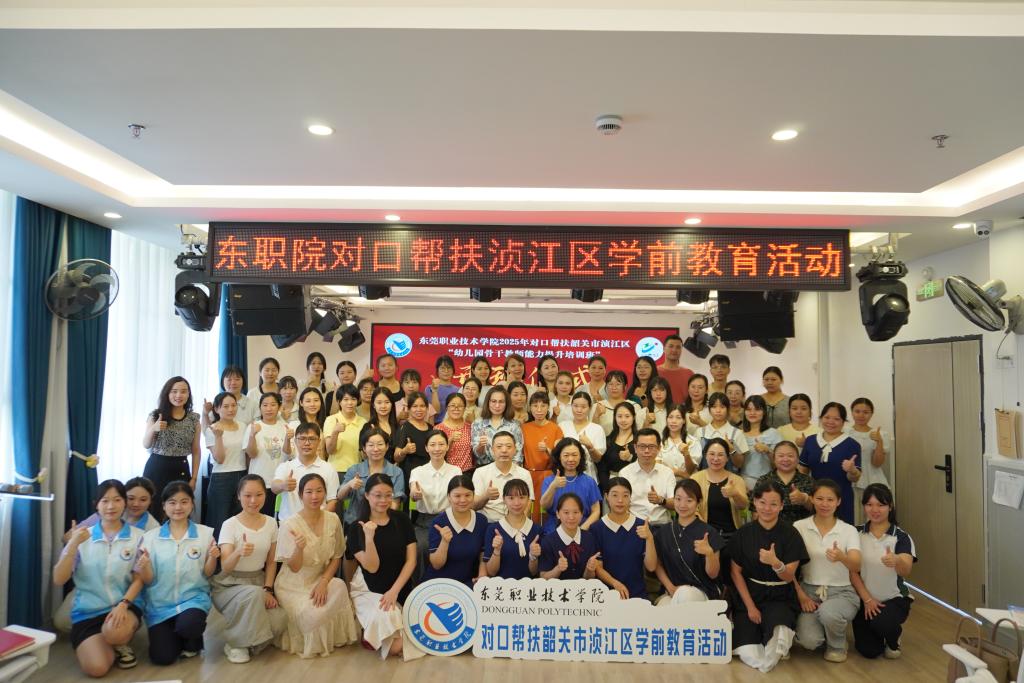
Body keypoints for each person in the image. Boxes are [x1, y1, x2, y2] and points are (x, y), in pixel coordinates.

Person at [53, 480, 145, 675]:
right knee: (97, 668)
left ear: (124, 503)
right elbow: (59, 579)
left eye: (117, 500)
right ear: (96, 505)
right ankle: (109, 642)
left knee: (114, 632)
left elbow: (139, 578)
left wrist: (123, 604)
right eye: (105, 501)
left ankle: (118, 639)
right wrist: (72, 544)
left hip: (124, 606)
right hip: (88, 610)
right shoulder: (82, 537)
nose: (111, 506)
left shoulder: (138, 536)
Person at [274, 473, 359, 658]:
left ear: (325, 493)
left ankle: (332, 635)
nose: (314, 496)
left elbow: (337, 555)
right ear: (300, 495)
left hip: (320, 577)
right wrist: (298, 548)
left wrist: (324, 581)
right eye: (309, 492)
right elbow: (293, 568)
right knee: (311, 616)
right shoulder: (289, 524)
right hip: (293, 584)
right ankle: (312, 634)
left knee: (339, 586)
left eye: (319, 491)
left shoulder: (333, 519)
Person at [729, 481, 809, 673]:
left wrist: (776, 563)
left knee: (778, 632)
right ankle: (764, 655)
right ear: (755, 502)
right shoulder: (743, 533)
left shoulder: (791, 533)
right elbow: (735, 572)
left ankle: (776, 648)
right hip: (751, 594)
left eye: (773, 504)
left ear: (781, 506)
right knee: (747, 648)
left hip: (781, 595)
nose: (767, 508)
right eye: (762, 502)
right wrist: (750, 607)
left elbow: (789, 576)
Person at [138, 481, 218, 664]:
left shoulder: (205, 534)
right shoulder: (150, 538)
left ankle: (191, 640)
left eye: (184, 501)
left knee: (189, 626)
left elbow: (207, 573)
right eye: (172, 502)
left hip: (193, 600)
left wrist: (213, 557)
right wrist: (144, 566)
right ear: (164, 506)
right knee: (162, 658)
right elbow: (148, 580)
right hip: (160, 605)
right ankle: (177, 634)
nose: (178, 507)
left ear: (192, 504)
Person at [213, 475, 286, 664]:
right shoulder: (229, 524)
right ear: (238, 496)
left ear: (265, 495)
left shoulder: (271, 523)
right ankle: (236, 644)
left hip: (258, 582)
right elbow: (225, 566)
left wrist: (268, 589)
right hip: (229, 585)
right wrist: (238, 552)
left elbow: (271, 562)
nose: (253, 501)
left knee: (279, 620)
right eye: (247, 495)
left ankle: (247, 637)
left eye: (259, 495)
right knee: (253, 595)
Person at [347, 473, 418, 659]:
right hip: (370, 590)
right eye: (377, 495)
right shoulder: (355, 528)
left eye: (388, 495)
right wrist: (369, 538)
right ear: (366, 495)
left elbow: (411, 560)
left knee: (419, 631)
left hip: (399, 587)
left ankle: (373, 632)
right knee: (395, 647)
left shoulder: (402, 520)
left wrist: (394, 591)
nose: (383, 500)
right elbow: (372, 567)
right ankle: (370, 630)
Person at [792, 478, 862, 663]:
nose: (824, 504)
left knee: (829, 612)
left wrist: (842, 557)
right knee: (809, 641)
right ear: (811, 499)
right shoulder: (799, 527)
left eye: (830, 500)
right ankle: (827, 629)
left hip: (842, 593)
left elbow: (856, 566)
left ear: (838, 502)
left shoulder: (848, 530)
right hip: (809, 592)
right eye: (820, 498)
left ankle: (837, 645)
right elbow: (790, 568)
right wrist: (801, 595)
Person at [850, 484, 916, 660]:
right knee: (869, 651)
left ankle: (894, 638)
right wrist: (867, 599)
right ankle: (878, 633)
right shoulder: (855, 533)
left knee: (882, 624)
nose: (875, 510)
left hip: (893, 599)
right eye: (869, 504)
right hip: (864, 599)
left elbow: (906, 570)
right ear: (864, 506)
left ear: (890, 506)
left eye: (881, 505)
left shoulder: (901, 537)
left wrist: (897, 560)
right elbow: (852, 571)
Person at [653, 479, 724, 604]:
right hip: (672, 591)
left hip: (702, 591)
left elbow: (713, 574)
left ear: (698, 503)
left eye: (689, 500)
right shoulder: (664, 531)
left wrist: (709, 553)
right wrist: (670, 588)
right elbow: (657, 564)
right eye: (678, 499)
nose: (682, 505)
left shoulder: (709, 532)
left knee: (685, 594)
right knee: (662, 607)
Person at [142, 376, 201, 515]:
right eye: (174, 391)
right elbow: (146, 444)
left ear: (188, 394)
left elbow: (196, 450)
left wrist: (194, 478)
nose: (179, 395)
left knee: (179, 511)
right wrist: (154, 428)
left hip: (180, 467)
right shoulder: (156, 415)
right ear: (167, 393)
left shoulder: (193, 419)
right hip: (157, 467)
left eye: (183, 391)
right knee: (154, 511)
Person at [590, 477, 655, 600]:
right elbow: (597, 567)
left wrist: (649, 538)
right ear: (606, 496)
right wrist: (615, 583)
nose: (620, 500)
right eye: (615, 495)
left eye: (625, 495)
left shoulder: (642, 526)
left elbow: (651, 567)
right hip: (607, 596)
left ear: (630, 498)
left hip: (637, 596)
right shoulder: (597, 528)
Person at [800, 402, 862, 524]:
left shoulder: (852, 444)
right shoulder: (810, 441)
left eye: (836, 419)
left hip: (841, 498)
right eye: (827, 417)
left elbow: (855, 478)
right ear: (821, 418)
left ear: (843, 422)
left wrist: (852, 470)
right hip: (816, 497)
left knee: (842, 531)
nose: (830, 422)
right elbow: (803, 470)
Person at [408, 430, 461, 572]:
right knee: (421, 548)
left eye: (441, 444)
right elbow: (413, 490)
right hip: (424, 522)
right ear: (426, 448)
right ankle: (421, 584)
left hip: (449, 520)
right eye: (432, 445)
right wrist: (414, 494)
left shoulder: (455, 471)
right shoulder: (417, 471)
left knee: (456, 547)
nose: (437, 448)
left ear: (447, 446)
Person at [424, 474, 488, 586]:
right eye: (457, 496)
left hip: (468, 583)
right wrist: (444, 542)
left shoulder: (481, 521)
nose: (463, 500)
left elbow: (483, 552)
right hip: (438, 585)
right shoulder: (438, 522)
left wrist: (482, 574)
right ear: (449, 497)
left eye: (467, 495)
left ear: (474, 495)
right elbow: (436, 565)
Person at [339, 428, 406, 533]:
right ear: (364, 448)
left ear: (387, 446)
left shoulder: (396, 472)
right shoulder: (354, 470)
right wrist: (349, 485)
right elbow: (340, 496)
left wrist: (382, 522)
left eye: (380, 444)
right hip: (356, 523)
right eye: (371, 445)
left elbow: (395, 504)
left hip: (384, 524)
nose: (376, 449)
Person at [272, 422, 339, 522]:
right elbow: (274, 487)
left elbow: (332, 501)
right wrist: (283, 485)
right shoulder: (286, 466)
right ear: (295, 441)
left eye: (312, 439)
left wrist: (316, 520)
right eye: (302, 438)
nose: (307, 443)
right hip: (289, 524)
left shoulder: (329, 468)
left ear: (319, 441)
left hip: (318, 523)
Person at [204, 391, 247, 537]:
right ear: (216, 409)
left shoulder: (243, 426)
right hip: (221, 478)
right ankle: (217, 552)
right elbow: (219, 459)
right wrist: (218, 437)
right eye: (226, 406)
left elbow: (247, 453)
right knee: (220, 521)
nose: (231, 409)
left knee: (240, 520)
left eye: (234, 405)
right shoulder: (212, 429)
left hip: (242, 475)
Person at [690, 438, 748, 543]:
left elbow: (743, 506)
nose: (716, 459)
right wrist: (703, 529)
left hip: (732, 535)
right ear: (705, 456)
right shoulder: (695, 479)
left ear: (727, 458)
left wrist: (735, 494)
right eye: (712, 454)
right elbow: (691, 508)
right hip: (705, 535)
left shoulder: (737, 479)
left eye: (721, 455)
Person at [244, 392, 293, 516]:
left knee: (278, 519)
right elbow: (251, 454)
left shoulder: (285, 427)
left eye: (273, 405)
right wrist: (252, 435)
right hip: (260, 482)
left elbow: (288, 454)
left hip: (280, 482)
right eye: (265, 405)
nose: (269, 408)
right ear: (260, 407)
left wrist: (287, 439)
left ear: (279, 407)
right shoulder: (253, 427)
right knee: (259, 518)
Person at [539, 437, 601, 534]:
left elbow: (596, 511)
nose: (571, 459)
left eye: (575, 455)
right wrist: (553, 487)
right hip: (554, 532)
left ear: (580, 456)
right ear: (559, 457)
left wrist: (581, 531)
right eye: (566, 455)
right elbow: (544, 506)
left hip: (583, 530)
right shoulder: (550, 481)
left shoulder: (589, 481)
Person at [482, 479, 542, 579]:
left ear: (528, 499)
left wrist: (533, 557)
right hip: (501, 587)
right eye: (511, 498)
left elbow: (534, 572)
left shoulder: (537, 530)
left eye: (522, 497)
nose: (517, 503)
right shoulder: (493, 529)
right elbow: (491, 572)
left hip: (528, 587)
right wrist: (497, 551)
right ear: (504, 499)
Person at [619, 428, 676, 527]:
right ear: (635, 448)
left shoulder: (667, 473)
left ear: (659, 448)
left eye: (651, 446)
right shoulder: (625, 473)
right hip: (635, 526)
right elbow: (621, 505)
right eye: (642, 446)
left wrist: (661, 500)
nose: (646, 451)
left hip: (662, 526)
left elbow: (676, 504)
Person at [472, 431, 535, 522]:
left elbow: (528, 503)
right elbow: (473, 506)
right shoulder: (480, 472)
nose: (504, 450)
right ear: (492, 450)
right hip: (489, 523)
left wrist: (518, 524)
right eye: (499, 446)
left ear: (515, 450)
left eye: (509, 446)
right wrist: (486, 496)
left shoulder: (524, 474)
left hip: (516, 523)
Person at [521, 392, 563, 523]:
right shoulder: (523, 428)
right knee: (528, 512)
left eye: (543, 406)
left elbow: (561, 456)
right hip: (528, 475)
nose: (539, 410)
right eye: (535, 406)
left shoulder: (555, 429)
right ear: (530, 408)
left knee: (546, 513)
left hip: (548, 476)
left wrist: (547, 450)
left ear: (548, 407)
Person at [848, 398, 891, 524]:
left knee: (874, 520)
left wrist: (879, 442)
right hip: (850, 481)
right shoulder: (844, 432)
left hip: (872, 480)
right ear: (852, 412)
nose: (861, 415)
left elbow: (877, 463)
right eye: (857, 411)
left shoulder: (880, 434)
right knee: (853, 519)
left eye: (866, 412)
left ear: (872, 414)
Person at [538, 494, 601, 580]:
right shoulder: (548, 541)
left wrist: (589, 570)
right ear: (558, 514)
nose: (571, 517)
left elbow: (589, 579)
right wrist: (558, 569)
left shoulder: (590, 539)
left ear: (582, 514)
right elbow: (543, 577)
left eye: (576, 512)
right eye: (566, 512)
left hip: (582, 589)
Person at [752, 441, 814, 525]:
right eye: (781, 456)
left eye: (790, 456)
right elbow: (755, 511)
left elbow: (817, 509)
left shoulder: (808, 481)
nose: (785, 459)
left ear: (798, 459)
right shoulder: (764, 481)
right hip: (771, 529)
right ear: (774, 459)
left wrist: (804, 499)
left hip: (801, 529)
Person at [688, 392, 749, 473]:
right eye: (714, 407)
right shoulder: (700, 432)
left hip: (729, 478)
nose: (718, 410)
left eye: (722, 407)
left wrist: (732, 450)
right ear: (709, 410)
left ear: (728, 409)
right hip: (704, 477)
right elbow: (695, 462)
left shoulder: (736, 433)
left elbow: (740, 464)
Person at [560, 391, 607, 482]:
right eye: (575, 406)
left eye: (583, 407)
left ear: (590, 407)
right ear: (571, 406)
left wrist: (590, 446)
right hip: (564, 476)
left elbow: (597, 459)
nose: (579, 410)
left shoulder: (597, 429)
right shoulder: (562, 426)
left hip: (588, 475)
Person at [471, 386, 524, 466]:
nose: (497, 405)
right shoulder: (478, 424)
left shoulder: (514, 425)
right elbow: (477, 455)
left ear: (506, 404)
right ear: (488, 402)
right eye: (493, 401)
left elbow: (518, 455)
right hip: (484, 469)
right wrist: (481, 446)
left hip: (508, 468)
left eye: (501, 402)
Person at [323, 384, 367, 481]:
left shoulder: (363, 422)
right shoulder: (331, 420)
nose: (350, 403)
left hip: (357, 471)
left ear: (357, 401)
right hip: (335, 471)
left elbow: (365, 453)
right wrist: (335, 432)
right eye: (345, 399)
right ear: (339, 401)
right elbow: (330, 451)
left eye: (353, 399)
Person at [394, 392, 433, 501]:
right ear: (409, 409)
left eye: (422, 406)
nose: (419, 409)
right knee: (412, 507)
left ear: (427, 408)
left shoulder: (431, 428)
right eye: (415, 406)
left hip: (428, 475)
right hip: (410, 476)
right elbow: (396, 457)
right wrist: (405, 451)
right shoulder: (405, 428)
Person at [741, 395, 782, 491]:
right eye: (749, 409)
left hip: (768, 482)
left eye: (757, 409)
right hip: (744, 481)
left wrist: (768, 451)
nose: (752, 413)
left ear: (764, 412)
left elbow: (780, 462)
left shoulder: (773, 433)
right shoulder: (740, 434)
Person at [599, 402, 639, 491]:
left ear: (634, 417)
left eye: (627, 416)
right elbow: (602, 469)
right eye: (619, 416)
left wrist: (630, 457)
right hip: (612, 485)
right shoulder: (608, 440)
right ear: (615, 418)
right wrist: (607, 489)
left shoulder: (640, 440)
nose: (623, 420)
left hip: (636, 485)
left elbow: (646, 462)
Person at [593, 370, 647, 437]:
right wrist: (596, 415)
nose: (614, 387)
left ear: (625, 386)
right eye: (610, 384)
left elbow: (640, 432)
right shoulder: (597, 406)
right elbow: (591, 432)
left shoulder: (634, 406)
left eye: (618, 384)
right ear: (606, 386)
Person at [360, 387, 400, 464]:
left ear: (392, 404)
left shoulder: (398, 427)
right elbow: (363, 456)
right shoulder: (368, 427)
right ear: (373, 405)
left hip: (395, 469)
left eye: (387, 402)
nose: (383, 406)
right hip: (373, 469)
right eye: (379, 403)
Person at [657, 334, 694, 409]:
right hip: (659, 413)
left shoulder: (689, 373)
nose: (674, 350)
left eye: (678, 347)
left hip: (683, 413)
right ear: (664, 349)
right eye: (671, 346)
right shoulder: (655, 371)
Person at [439, 392, 474, 472]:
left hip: (467, 472)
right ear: (446, 408)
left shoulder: (470, 427)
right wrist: (450, 440)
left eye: (460, 406)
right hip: (447, 473)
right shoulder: (439, 428)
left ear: (464, 408)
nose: (456, 408)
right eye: (452, 405)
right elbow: (437, 453)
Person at [658, 405, 693, 479]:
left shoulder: (692, 442)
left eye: (678, 417)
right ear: (666, 419)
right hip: (665, 482)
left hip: (686, 484)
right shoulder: (659, 442)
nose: (673, 421)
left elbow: (691, 471)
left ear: (684, 421)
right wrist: (680, 473)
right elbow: (657, 467)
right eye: (670, 417)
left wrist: (686, 454)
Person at [426, 355, 459, 424]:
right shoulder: (429, 389)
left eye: (449, 368)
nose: (446, 371)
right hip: (436, 425)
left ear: (453, 370)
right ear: (437, 370)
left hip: (453, 425)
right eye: (442, 368)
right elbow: (435, 411)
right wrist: (434, 391)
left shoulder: (458, 390)